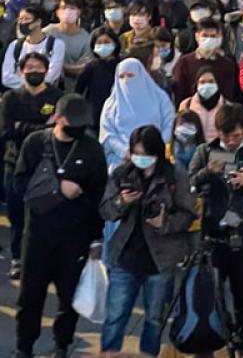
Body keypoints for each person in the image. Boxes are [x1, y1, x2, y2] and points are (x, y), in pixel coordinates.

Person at [13, 94, 108, 358]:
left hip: (75, 236)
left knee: (69, 297)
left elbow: (99, 194)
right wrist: (57, 187)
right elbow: (19, 184)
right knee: (30, 295)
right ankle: (24, 346)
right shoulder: (35, 143)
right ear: (57, 117)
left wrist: (96, 238)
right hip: (38, 234)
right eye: (72, 121)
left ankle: (61, 344)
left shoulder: (91, 149)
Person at [99, 125, 197, 356]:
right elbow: (105, 210)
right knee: (115, 315)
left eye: (146, 154)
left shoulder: (174, 175)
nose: (141, 159)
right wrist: (122, 203)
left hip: (160, 260)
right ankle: (109, 353)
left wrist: (165, 223)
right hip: (125, 256)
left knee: (155, 318)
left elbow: (188, 214)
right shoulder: (122, 174)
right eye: (136, 153)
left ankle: (148, 354)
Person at [188, 103, 243, 356]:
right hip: (214, 234)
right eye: (225, 136)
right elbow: (189, 183)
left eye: (235, 136)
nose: (230, 141)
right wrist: (208, 172)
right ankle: (224, 335)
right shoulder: (206, 151)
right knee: (213, 295)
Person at [0, 51, 64, 279]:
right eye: (29, 68)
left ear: (47, 71)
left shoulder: (58, 96)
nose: (34, 71)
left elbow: (59, 130)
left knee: (47, 215)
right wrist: (43, 128)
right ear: (20, 71)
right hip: (15, 164)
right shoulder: (11, 98)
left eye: (39, 68)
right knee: (17, 216)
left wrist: (23, 127)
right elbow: (7, 131)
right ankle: (17, 259)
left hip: (48, 164)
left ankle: (46, 261)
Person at [99, 57, 175, 169]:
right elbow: (107, 134)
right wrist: (125, 152)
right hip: (121, 161)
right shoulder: (111, 104)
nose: (125, 80)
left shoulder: (160, 98)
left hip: (155, 158)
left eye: (130, 75)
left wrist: (154, 148)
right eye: (121, 77)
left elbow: (169, 124)